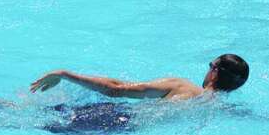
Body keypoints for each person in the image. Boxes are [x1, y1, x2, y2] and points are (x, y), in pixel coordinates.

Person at [29, 54, 250, 102]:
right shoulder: (221, 108)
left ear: (214, 72)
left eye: (210, 65)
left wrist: (64, 74)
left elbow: (116, 89)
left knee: (15, 110)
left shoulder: (181, 85)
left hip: (114, 121)